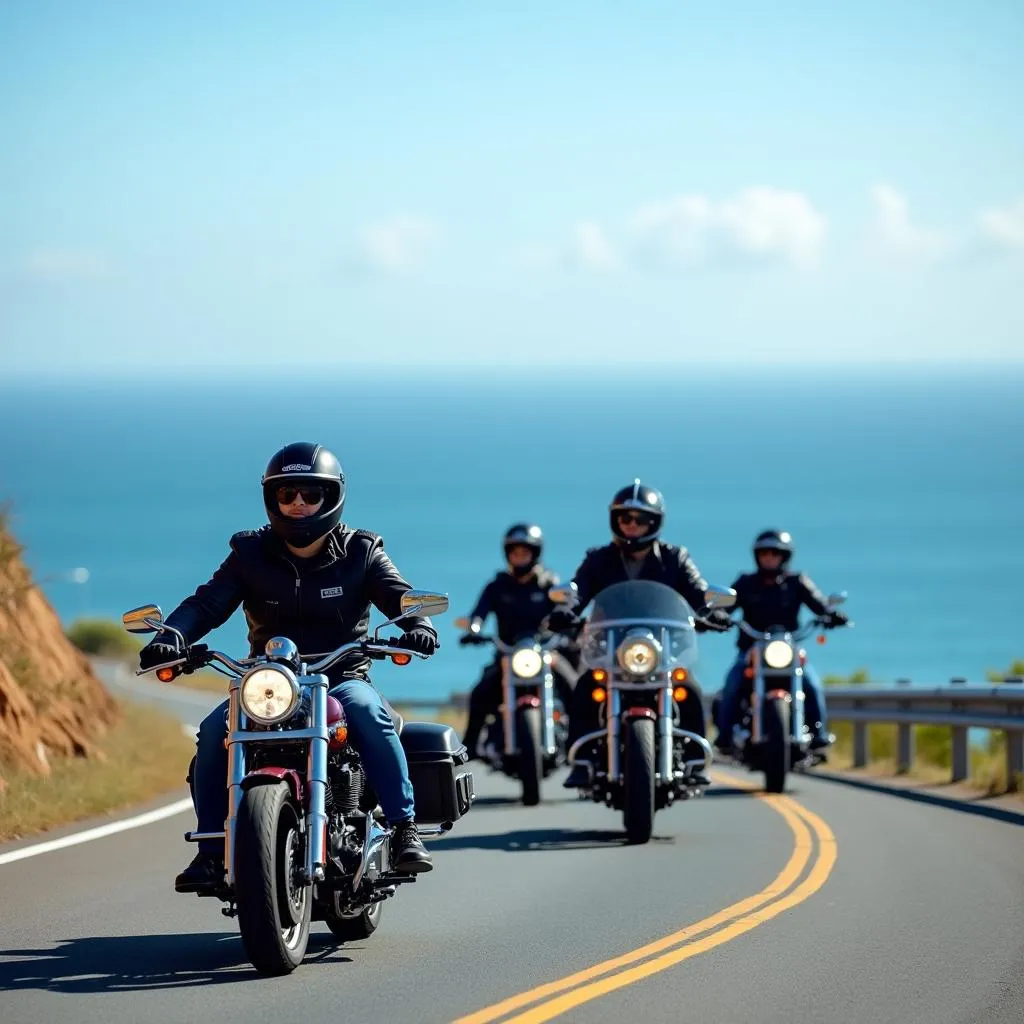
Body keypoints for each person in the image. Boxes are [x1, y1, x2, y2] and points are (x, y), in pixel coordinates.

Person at [138, 442, 440, 892]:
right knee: (212, 732)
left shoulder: (362, 551)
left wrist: (418, 623)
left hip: (341, 677)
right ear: (272, 498)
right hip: (269, 682)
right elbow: (207, 603)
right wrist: (172, 637)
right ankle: (209, 848)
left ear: (330, 498)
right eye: (287, 494)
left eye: (310, 494)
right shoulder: (249, 553)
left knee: (369, 715)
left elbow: (398, 593)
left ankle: (403, 829)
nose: (298, 503)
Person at [547, 481, 731, 788]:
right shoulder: (598, 559)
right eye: (625, 518)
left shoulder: (675, 558)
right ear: (615, 520)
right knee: (584, 688)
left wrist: (712, 610)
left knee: (690, 689)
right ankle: (580, 760)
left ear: (654, 522)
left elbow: (698, 590)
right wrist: (567, 610)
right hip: (611, 650)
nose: (632, 525)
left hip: (661, 650)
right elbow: (579, 590)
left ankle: (696, 759)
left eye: (641, 519)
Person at [714, 529, 848, 754]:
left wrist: (830, 614)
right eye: (764, 553)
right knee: (732, 683)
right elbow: (726, 608)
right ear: (757, 556)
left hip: (788, 650)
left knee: (812, 684)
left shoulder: (797, 582)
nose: (769, 557)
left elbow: (819, 604)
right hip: (752, 650)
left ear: (784, 557)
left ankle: (819, 734)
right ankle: (725, 735)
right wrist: (717, 615)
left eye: (775, 553)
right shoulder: (745, 583)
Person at [458, 523, 577, 759]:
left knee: (575, 687)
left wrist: (571, 626)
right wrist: (474, 628)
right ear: (507, 554)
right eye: (515, 552)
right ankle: (467, 749)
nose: (519, 556)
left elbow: (566, 611)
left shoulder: (549, 584)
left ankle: (580, 746)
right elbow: (478, 614)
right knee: (480, 693)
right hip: (508, 656)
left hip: (545, 653)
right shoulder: (496, 587)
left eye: (525, 552)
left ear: (535, 554)